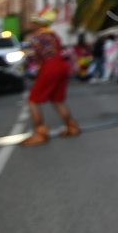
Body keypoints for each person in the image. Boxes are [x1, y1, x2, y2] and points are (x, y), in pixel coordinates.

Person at [20, 10, 81, 146]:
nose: (31, 24)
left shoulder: (37, 37)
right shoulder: (54, 35)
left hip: (49, 68)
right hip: (61, 66)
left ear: (38, 24)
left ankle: (40, 132)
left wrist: (25, 60)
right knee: (57, 100)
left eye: (33, 22)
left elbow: (33, 56)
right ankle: (72, 126)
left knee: (33, 101)